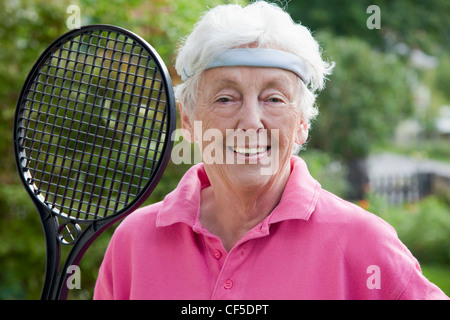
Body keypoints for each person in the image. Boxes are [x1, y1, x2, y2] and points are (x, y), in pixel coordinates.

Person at [94, 1, 448, 299]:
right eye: (225, 98)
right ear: (188, 120)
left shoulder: (363, 242)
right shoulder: (134, 241)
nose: (251, 121)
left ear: (302, 122)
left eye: (274, 98)